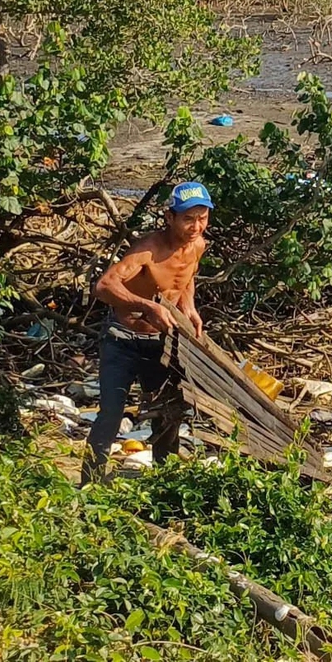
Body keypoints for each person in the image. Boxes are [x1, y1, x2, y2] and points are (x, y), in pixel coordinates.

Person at [81, 181, 212, 485]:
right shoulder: (147, 250)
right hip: (123, 340)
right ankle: (89, 485)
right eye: (188, 219)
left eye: (202, 218)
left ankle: (165, 482)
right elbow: (103, 286)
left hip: (161, 344)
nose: (196, 226)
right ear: (170, 217)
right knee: (111, 415)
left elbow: (186, 278)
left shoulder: (199, 245)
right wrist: (146, 307)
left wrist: (189, 307)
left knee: (169, 414)